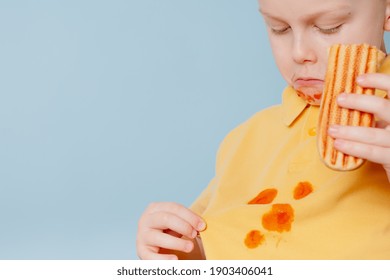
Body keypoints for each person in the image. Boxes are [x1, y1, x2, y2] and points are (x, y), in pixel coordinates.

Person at [136, 0, 390, 260]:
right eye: (279, 28)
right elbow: (205, 248)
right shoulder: (244, 141)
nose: (299, 52)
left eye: (329, 27)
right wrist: (176, 248)